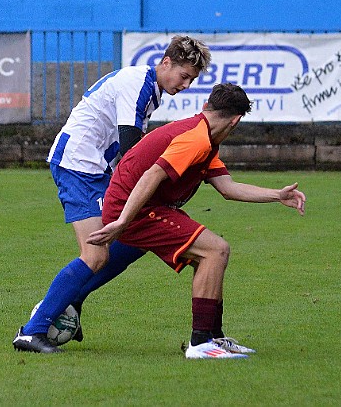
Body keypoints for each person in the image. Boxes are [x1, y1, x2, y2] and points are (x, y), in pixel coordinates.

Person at [13, 36, 212, 353]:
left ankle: (71, 299)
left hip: (96, 170)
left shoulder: (148, 88)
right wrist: (156, 187)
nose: (186, 85)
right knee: (96, 254)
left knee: (136, 237)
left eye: (191, 79)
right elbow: (131, 148)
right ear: (166, 63)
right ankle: (31, 331)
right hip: (77, 166)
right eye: (184, 76)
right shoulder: (137, 84)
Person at [85, 83, 306, 359]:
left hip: (141, 206)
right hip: (132, 209)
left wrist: (277, 195)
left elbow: (227, 188)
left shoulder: (205, 137)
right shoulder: (196, 139)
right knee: (216, 249)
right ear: (235, 121)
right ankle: (200, 343)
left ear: (206, 107)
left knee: (212, 254)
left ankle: (214, 337)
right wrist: (121, 222)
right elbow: (151, 176)